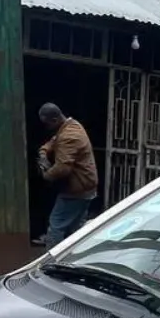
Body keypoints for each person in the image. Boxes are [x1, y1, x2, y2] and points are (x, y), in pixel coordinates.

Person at [34, 103, 99, 248]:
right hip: (85, 188)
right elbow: (53, 141)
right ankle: (78, 256)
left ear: (55, 120)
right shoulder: (71, 126)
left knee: (56, 226)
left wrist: (46, 174)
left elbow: (62, 169)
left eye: (47, 124)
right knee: (77, 229)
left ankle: (50, 261)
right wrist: (44, 152)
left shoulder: (69, 135)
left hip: (77, 190)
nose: (46, 128)